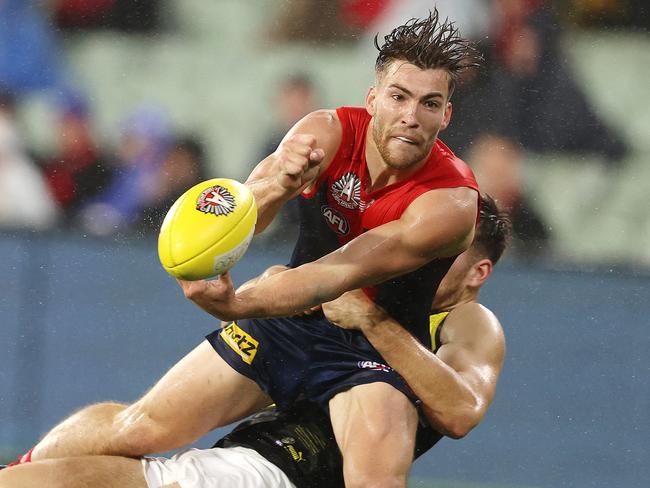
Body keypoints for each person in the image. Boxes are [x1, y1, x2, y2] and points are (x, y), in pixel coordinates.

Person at [15, 11, 484, 488]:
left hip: (372, 356)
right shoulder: (326, 131)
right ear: (373, 98)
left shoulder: (450, 204)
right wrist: (280, 184)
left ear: (446, 114)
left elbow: (334, 276)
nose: (410, 117)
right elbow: (243, 216)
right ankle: (18, 472)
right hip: (287, 324)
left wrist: (236, 303)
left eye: (429, 104)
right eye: (399, 97)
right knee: (141, 427)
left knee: (373, 482)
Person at [0, 195, 509, 488]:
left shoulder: (470, 321)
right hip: (259, 452)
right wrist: (279, 290)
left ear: (477, 270)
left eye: (448, 253)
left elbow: (461, 410)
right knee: (137, 430)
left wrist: (373, 322)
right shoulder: (381, 274)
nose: (430, 259)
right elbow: (292, 281)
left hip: (284, 469)